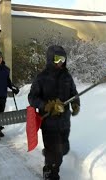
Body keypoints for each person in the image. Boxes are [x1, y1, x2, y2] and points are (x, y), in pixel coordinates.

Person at [28, 45, 80, 180]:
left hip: (64, 121)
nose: (60, 62)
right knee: (55, 152)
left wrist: (75, 104)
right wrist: (46, 106)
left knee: (63, 149)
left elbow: (73, 93)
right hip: (49, 122)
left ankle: (50, 162)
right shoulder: (42, 77)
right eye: (57, 59)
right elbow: (32, 98)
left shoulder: (67, 76)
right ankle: (51, 172)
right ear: (51, 59)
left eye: (63, 58)